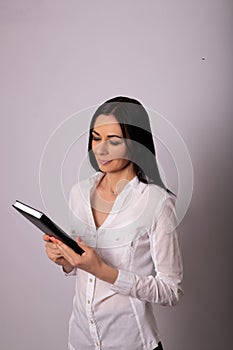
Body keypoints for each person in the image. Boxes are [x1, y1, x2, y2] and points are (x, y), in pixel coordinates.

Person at [43, 96, 183, 350]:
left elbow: (171, 291)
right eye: (96, 138)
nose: (100, 150)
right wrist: (66, 261)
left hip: (132, 343)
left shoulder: (157, 203)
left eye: (114, 141)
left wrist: (103, 270)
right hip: (81, 340)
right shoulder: (79, 193)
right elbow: (79, 267)